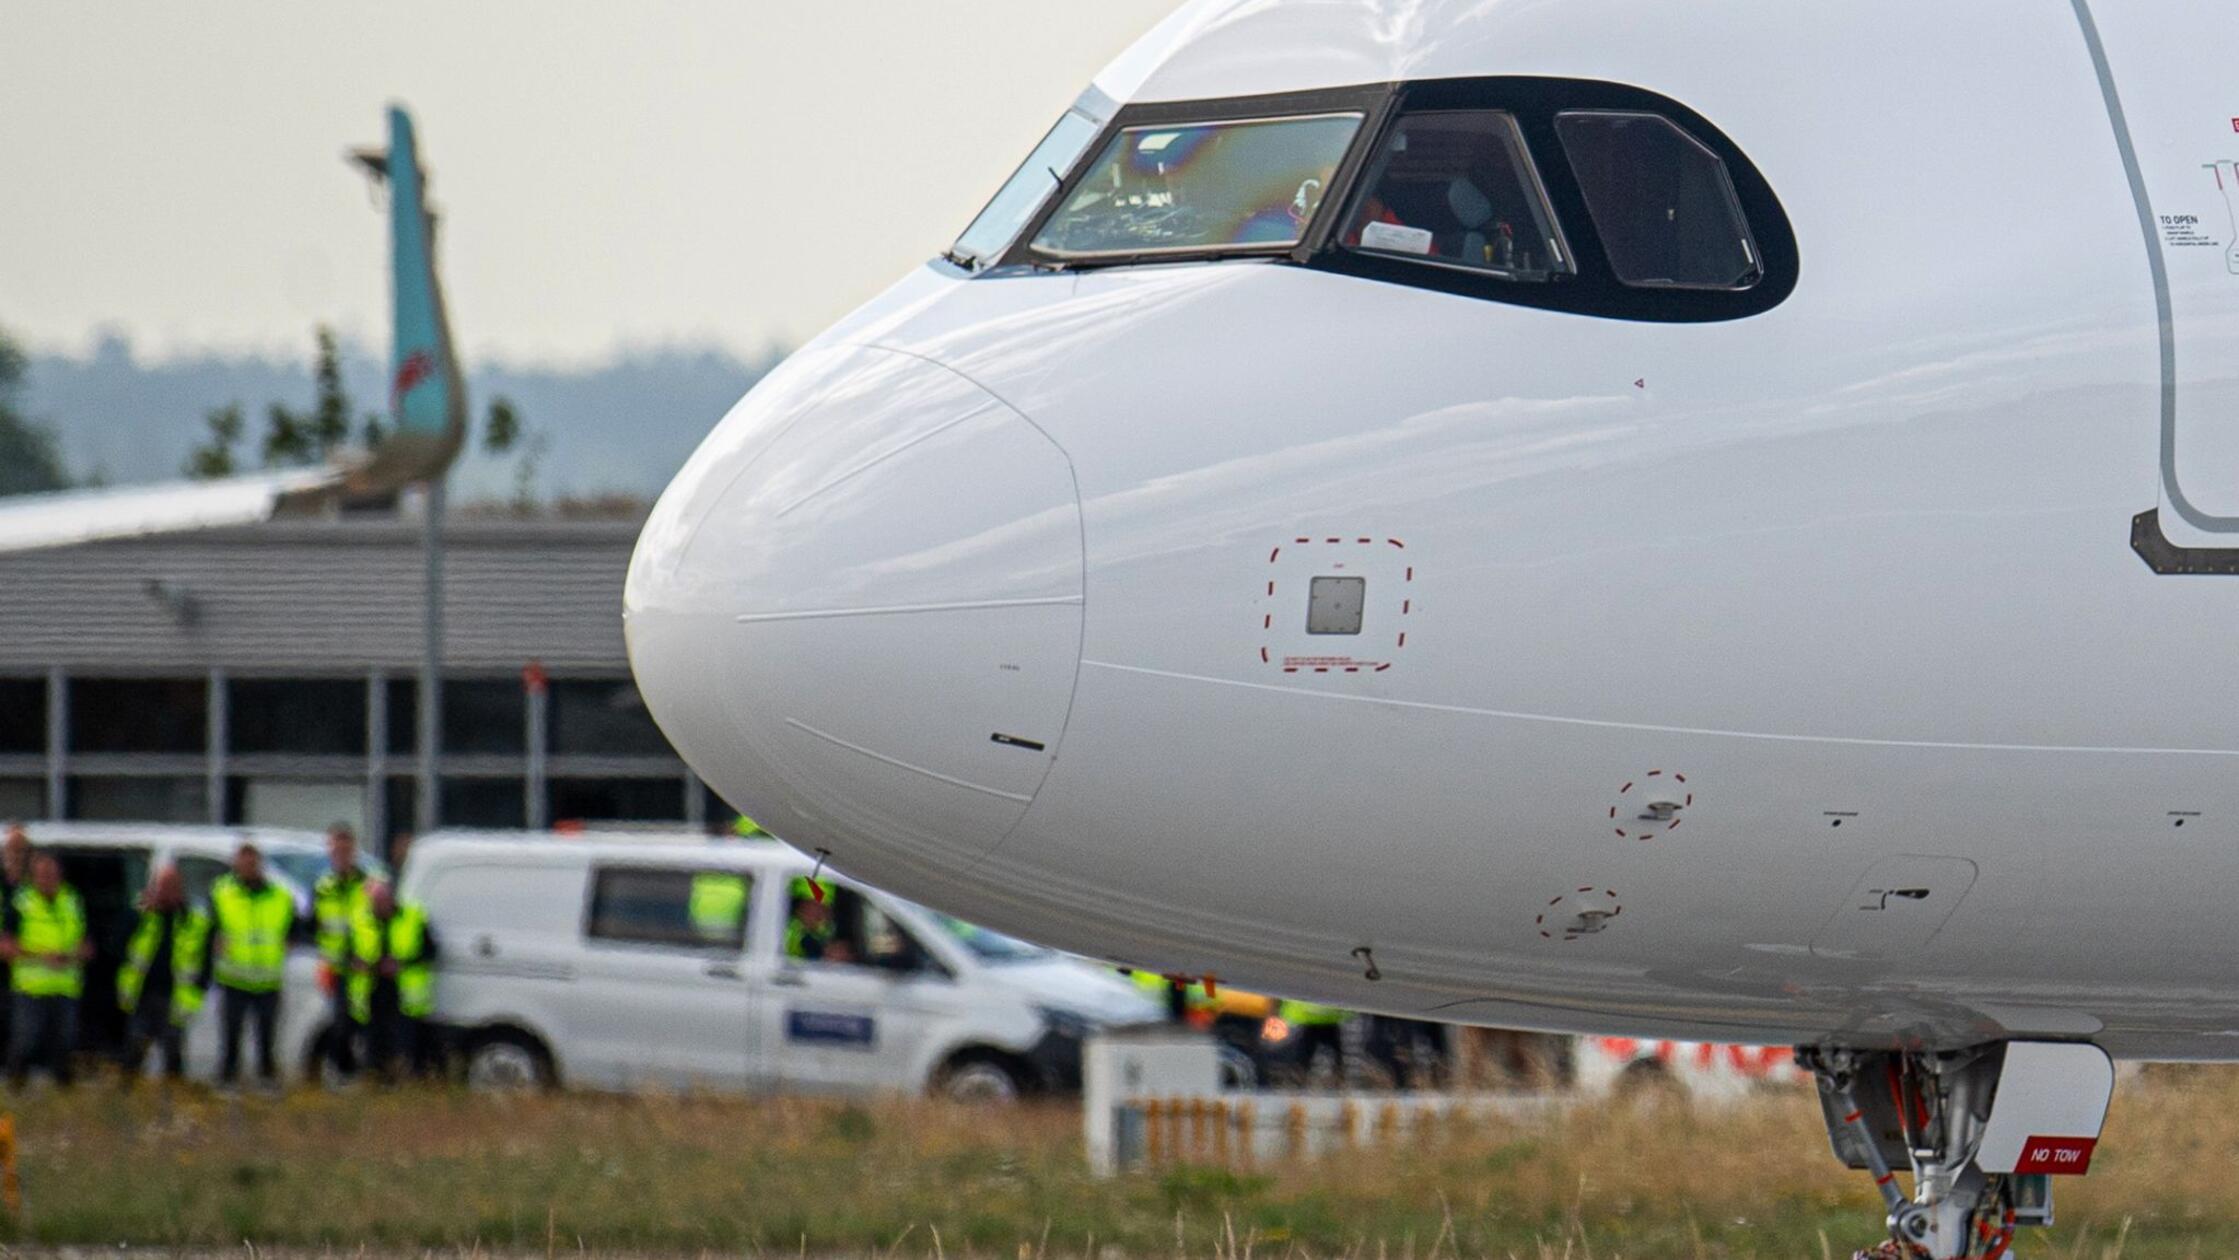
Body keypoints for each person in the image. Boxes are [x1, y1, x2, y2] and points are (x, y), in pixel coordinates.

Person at [2, 850, 90, 1087]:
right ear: (33, 876)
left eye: (51, 873)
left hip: (65, 987)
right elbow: (5, 947)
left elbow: (88, 945)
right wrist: (42, 957)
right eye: (41, 874)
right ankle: (15, 1087)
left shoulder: (72, 900)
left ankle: (62, 1094)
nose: (47, 878)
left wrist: (73, 955)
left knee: (65, 1043)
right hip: (31, 988)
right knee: (25, 1042)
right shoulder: (20, 901)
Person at [115, 865, 210, 1084]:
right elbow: (117, 944)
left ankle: (173, 1090)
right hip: (142, 992)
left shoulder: (191, 919)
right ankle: (128, 1087)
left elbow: (204, 960)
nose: (167, 892)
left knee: (172, 1048)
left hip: (175, 995)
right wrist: (140, 913)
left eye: (172, 887)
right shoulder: (141, 916)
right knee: (135, 1044)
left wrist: (200, 987)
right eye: (162, 887)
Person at [210, 842, 293, 1091]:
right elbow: (210, 928)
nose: (248, 867)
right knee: (231, 1034)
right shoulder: (222, 893)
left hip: (268, 979)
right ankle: (228, 1078)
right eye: (244, 863)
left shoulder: (280, 895)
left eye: (252, 863)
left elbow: (294, 928)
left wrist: (289, 942)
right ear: (236, 865)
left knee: (267, 1036)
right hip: (234, 977)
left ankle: (266, 1078)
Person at [348, 881, 440, 1082]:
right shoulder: (359, 920)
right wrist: (358, 963)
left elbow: (430, 952)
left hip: (404, 994)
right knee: (374, 1042)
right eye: (375, 902)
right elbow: (348, 953)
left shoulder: (413, 917)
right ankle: (376, 1078)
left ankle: (407, 1077)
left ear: (392, 899)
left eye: (383, 900)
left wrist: (401, 964)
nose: (379, 906)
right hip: (371, 992)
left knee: (405, 1041)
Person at [312, 823, 370, 1079]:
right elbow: (313, 925)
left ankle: (367, 1072)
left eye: (346, 850)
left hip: (365, 967)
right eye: (337, 850)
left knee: (365, 1023)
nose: (342, 855)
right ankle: (345, 1073)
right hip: (336, 968)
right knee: (340, 1024)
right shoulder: (323, 887)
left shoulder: (368, 885)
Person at [0, 823, 31, 1069]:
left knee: (21, 1029)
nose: (16, 855)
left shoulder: (35, 886)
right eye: (12, 849)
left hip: (29, 969)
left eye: (21, 850)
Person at [783, 876, 850, 962]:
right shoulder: (787, 932)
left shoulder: (829, 932)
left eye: (824, 908)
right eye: (812, 905)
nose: (819, 913)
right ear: (799, 907)